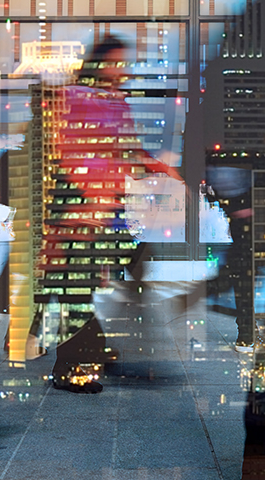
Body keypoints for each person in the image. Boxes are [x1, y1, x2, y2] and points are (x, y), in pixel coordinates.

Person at [40, 34, 181, 392]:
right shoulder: (73, 97)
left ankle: (90, 351)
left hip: (105, 210)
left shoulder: (117, 101)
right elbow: (64, 148)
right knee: (77, 291)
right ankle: (70, 367)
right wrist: (88, 197)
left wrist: (158, 168)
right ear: (97, 63)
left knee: (90, 285)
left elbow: (129, 150)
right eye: (115, 62)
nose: (122, 70)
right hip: (79, 208)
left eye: (124, 63)